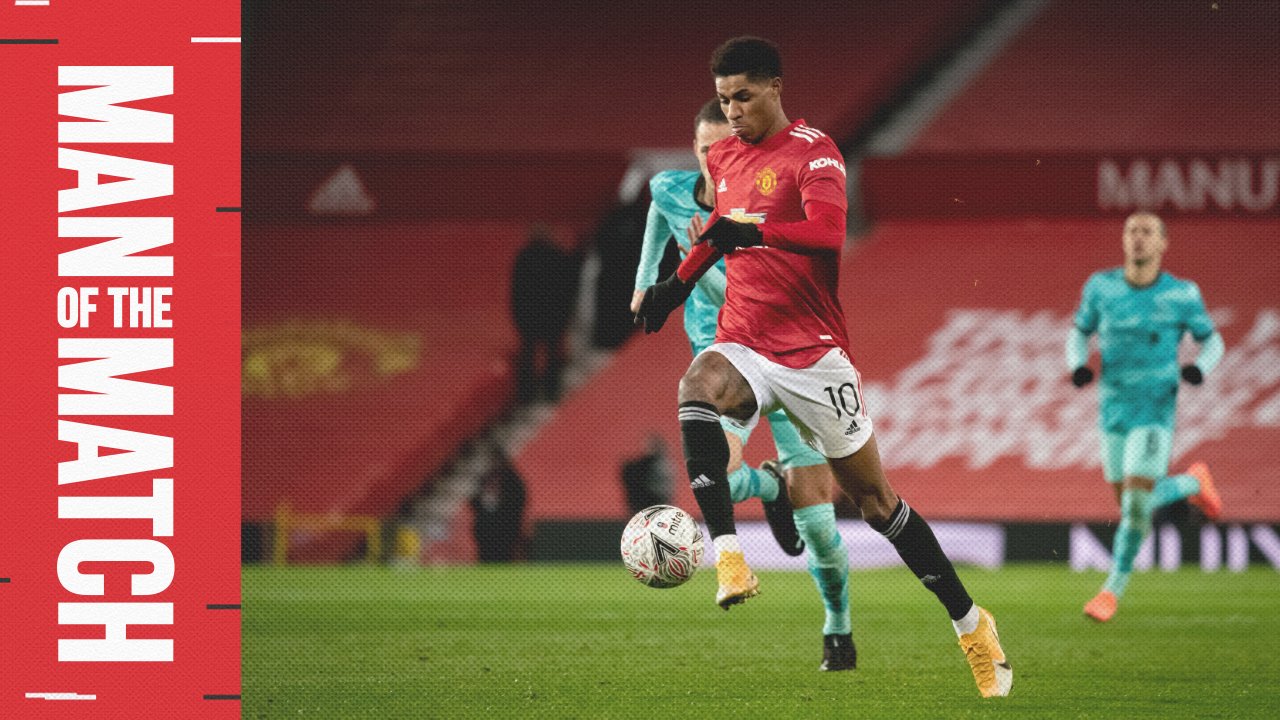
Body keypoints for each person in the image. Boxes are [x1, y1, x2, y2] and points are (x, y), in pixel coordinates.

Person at [634, 36, 1011, 697]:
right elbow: (718, 231)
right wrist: (674, 286)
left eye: (744, 97)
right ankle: (729, 557)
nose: (734, 111)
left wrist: (755, 231)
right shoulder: (724, 156)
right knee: (695, 387)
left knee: (876, 504)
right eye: (724, 99)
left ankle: (971, 623)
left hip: (813, 355)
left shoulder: (815, 152)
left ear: (776, 88)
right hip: (744, 341)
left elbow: (827, 233)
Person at [630, 98, 855, 671]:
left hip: (792, 355)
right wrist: (645, 283)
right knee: (721, 480)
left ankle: (837, 624)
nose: (714, 159)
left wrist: (720, 249)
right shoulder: (671, 190)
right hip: (729, 360)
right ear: (696, 149)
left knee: (820, 530)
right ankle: (770, 488)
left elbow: (793, 256)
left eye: (722, 147)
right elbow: (658, 214)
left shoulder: (755, 207)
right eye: (705, 149)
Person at [1068, 211, 1225, 623]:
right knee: (1130, 506)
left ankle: (1110, 591)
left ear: (1162, 243)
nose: (1138, 238)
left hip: (1155, 409)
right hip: (1113, 409)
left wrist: (1200, 368)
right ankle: (1194, 481)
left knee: (1136, 504)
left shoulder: (1181, 294)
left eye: (1147, 232)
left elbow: (1213, 340)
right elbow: (1079, 330)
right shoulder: (1101, 287)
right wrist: (1077, 364)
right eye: (1132, 231)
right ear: (1124, 240)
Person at [510, 224, 578, 401]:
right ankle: (549, 391)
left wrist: (519, 316)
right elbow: (568, 289)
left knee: (531, 354)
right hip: (550, 315)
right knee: (548, 354)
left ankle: (528, 394)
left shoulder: (525, 257)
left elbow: (517, 291)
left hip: (533, 316)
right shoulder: (557, 257)